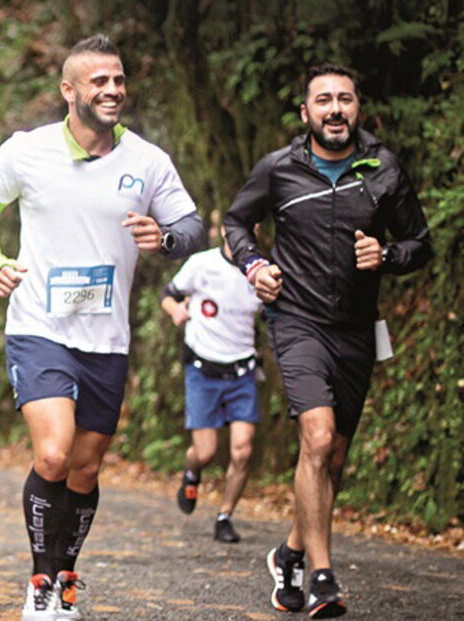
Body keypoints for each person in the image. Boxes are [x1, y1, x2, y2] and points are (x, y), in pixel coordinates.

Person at [0, 34, 203, 621]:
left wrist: (166, 238)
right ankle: (40, 583)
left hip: (106, 337)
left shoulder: (147, 161)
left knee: (87, 467)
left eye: (118, 79)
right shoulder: (28, 151)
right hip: (39, 327)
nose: (113, 90)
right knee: (53, 455)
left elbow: (191, 225)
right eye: (100, 81)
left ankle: (66, 576)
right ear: (69, 91)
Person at [224, 63, 432, 619]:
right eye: (323, 100)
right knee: (316, 438)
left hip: (356, 329)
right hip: (296, 320)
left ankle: (290, 553)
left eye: (345, 99)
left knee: (334, 457)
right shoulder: (279, 169)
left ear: (358, 108)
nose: (335, 109)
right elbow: (235, 224)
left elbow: (420, 242)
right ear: (305, 113)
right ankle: (322, 577)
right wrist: (255, 265)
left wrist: (387, 255)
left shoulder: (383, 169)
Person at [162, 226, 262, 543]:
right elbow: (168, 294)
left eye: (251, 227)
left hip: (242, 370)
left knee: (243, 450)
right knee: (204, 452)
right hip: (203, 369)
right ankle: (192, 473)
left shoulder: (260, 271)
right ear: (223, 231)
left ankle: (224, 516)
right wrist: (176, 310)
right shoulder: (202, 264)